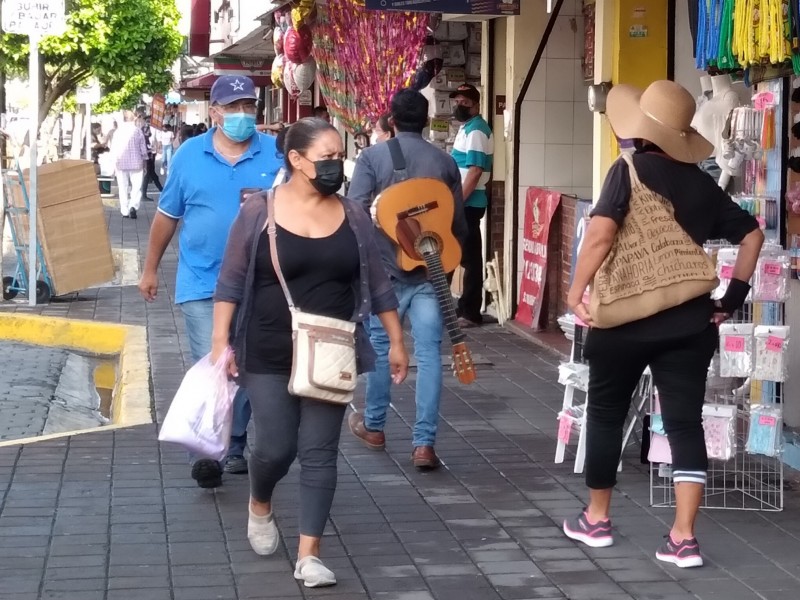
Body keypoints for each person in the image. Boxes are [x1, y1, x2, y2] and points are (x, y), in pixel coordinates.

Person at [564, 80, 763, 568]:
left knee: (607, 413)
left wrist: (576, 291)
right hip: (691, 323)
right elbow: (753, 235)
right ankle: (683, 537)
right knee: (683, 424)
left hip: (622, 322)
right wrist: (731, 299)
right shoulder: (701, 183)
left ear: (641, 128)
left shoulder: (627, 169)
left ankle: (597, 519)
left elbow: (601, 235)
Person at [212, 117, 408, 587]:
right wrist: (221, 341)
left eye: (340, 156)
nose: (336, 166)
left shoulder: (354, 215)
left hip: (333, 350)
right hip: (268, 347)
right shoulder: (258, 211)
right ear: (296, 160)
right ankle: (260, 500)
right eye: (326, 158)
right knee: (275, 448)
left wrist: (396, 340)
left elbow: (378, 283)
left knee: (320, 452)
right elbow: (232, 280)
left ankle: (309, 554)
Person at [139, 75, 283, 488]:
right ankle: (206, 452)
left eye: (248, 107)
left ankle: (233, 442)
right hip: (204, 282)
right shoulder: (189, 155)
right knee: (216, 364)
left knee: (250, 366)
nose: (242, 115)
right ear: (215, 112)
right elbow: (168, 216)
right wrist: (150, 269)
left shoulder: (275, 154)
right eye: (233, 107)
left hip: (264, 282)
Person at [348, 88, 468, 469]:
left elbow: (354, 212)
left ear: (392, 120)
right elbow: (457, 224)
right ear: (427, 118)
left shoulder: (372, 157)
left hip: (384, 271)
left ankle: (375, 425)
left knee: (382, 347)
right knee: (430, 354)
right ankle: (424, 445)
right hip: (431, 273)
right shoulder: (444, 161)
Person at [450, 84, 494, 328]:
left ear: (476, 105)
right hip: (466, 202)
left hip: (469, 202)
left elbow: (475, 172)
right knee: (465, 255)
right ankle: (465, 307)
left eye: (465, 103)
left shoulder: (477, 130)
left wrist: (457, 201)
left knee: (469, 258)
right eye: (457, 102)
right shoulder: (468, 129)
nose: (460, 106)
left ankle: (470, 311)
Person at [109, 110, 148, 219]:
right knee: (136, 186)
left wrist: (113, 163)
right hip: (137, 163)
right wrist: (145, 162)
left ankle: (124, 210)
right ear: (133, 118)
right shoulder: (137, 131)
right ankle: (133, 206)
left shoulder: (118, 132)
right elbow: (143, 149)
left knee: (123, 187)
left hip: (121, 163)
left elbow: (114, 149)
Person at [140, 116, 163, 202]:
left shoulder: (147, 131)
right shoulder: (144, 132)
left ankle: (161, 190)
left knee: (152, 174)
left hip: (150, 154)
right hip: (147, 156)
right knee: (148, 174)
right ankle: (144, 194)